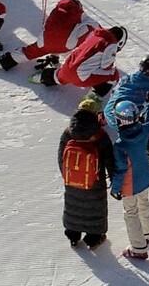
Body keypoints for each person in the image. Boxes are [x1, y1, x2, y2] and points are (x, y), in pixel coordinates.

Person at [59, 95, 115, 249]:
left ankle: (73, 236)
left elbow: (61, 157)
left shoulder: (68, 132)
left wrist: (67, 175)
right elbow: (110, 159)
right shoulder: (100, 135)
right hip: (94, 181)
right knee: (95, 209)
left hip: (72, 179)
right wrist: (114, 178)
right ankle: (93, 239)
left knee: (73, 207)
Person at [0, 0, 99, 73]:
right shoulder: (78, 12)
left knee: (27, 52)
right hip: (68, 45)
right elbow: (93, 23)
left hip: (45, 43)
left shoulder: (56, 11)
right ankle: (92, 53)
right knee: (88, 28)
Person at [109, 99, 149, 260]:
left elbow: (121, 169)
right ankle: (145, 233)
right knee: (144, 203)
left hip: (130, 184)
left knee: (130, 212)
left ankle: (138, 248)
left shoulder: (120, 145)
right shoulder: (144, 131)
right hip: (145, 176)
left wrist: (115, 188)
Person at [104, 54, 149, 167]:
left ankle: (102, 120)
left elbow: (114, 94)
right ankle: (147, 153)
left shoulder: (127, 78)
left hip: (109, 112)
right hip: (123, 123)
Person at [31, 26, 127, 97]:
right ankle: (93, 98)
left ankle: (40, 77)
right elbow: (106, 66)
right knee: (114, 74)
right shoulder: (111, 44)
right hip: (80, 77)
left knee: (61, 76)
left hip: (66, 67)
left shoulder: (95, 36)